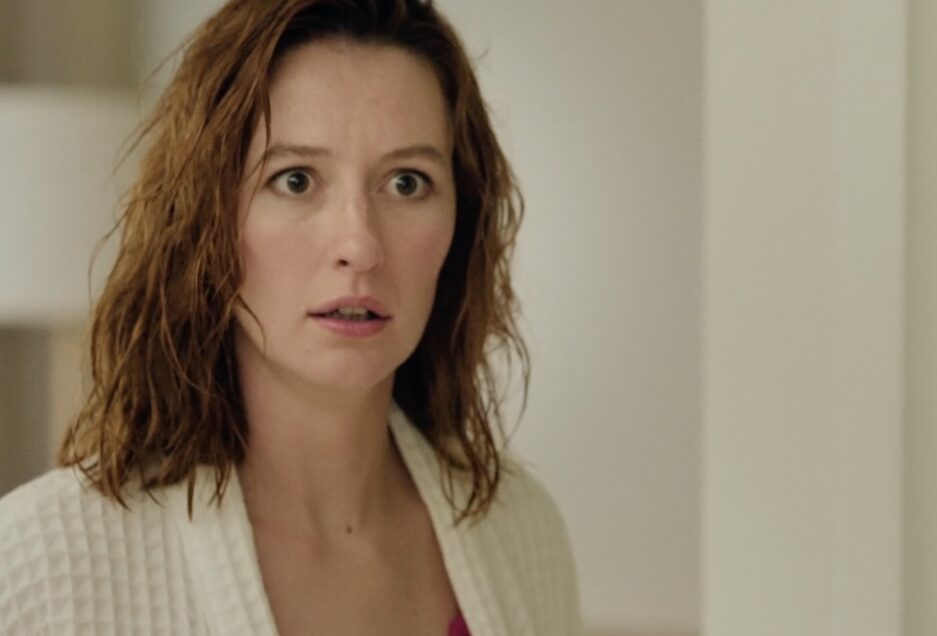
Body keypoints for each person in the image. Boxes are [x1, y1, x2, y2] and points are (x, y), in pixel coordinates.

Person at [0, 1, 581, 634]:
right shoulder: (41, 568)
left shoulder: (521, 534)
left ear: (460, 226)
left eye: (407, 183)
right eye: (297, 180)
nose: (359, 245)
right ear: (207, 219)